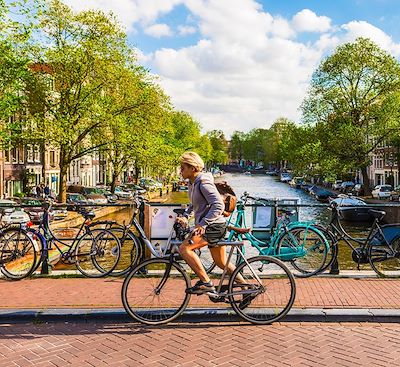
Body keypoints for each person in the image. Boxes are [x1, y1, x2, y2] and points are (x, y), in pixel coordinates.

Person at [177, 152, 242, 295]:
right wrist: (185, 216)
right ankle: (246, 287)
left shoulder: (204, 183)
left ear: (193, 168)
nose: (180, 170)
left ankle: (206, 283)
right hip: (212, 226)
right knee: (221, 263)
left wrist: (202, 224)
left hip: (213, 227)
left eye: (183, 167)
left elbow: (218, 205)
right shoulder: (192, 183)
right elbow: (194, 204)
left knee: (184, 249)